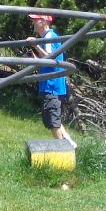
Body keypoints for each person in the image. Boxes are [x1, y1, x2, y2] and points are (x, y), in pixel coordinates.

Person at [29, 12, 74, 144]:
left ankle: (63, 151)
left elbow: (50, 58)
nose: (33, 23)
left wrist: (35, 45)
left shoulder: (49, 37)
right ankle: (71, 144)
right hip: (49, 85)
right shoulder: (48, 37)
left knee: (53, 122)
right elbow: (45, 62)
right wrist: (33, 53)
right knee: (54, 120)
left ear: (43, 21)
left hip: (51, 86)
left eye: (35, 20)